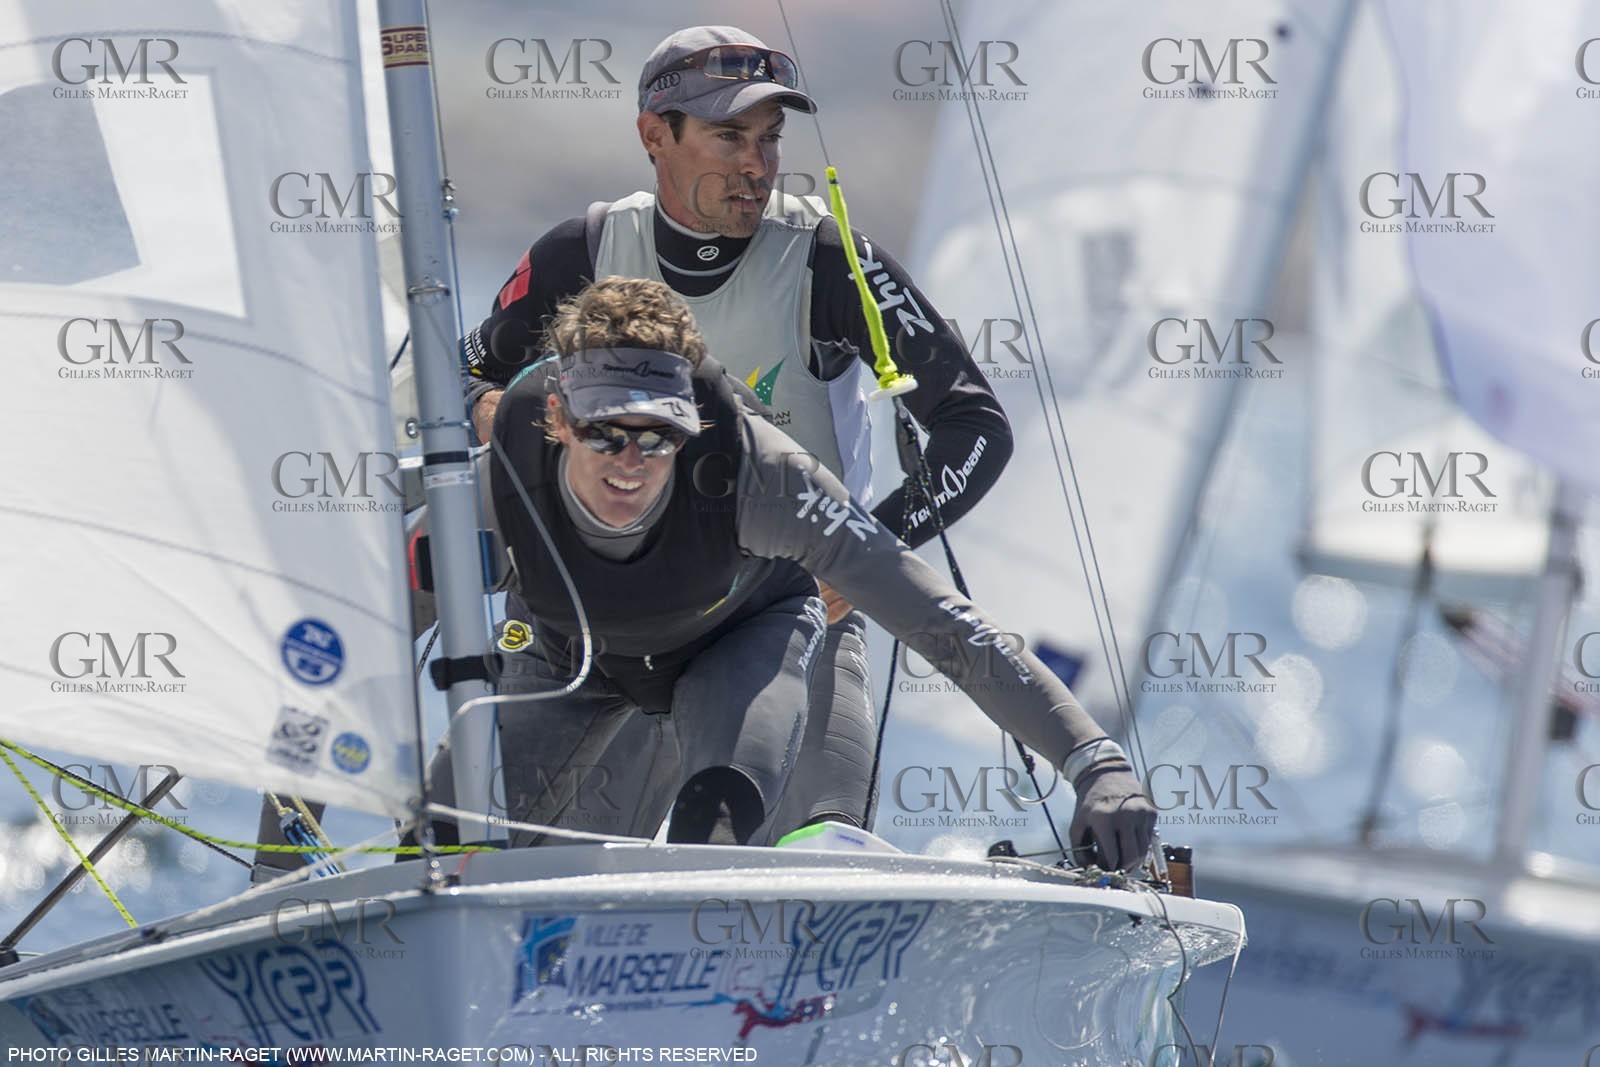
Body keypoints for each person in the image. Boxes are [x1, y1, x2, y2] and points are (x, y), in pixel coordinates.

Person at [460, 25, 1013, 834]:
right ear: (657, 136)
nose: (757, 163)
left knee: (813, 865)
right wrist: (509, 418)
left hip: (784, 619)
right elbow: (458, 373)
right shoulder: (583, 250)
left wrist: (859, 559)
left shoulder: (828, 259)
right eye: (729, 136)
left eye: (769, 138)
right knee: (528, 881)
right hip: (605, 622)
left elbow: (974, 428)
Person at [420, 276, 1153, 869]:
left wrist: (1095, 760)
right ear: (556, 416)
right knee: (440, 837)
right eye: (603, 431)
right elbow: (377, 618)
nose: (631, 461)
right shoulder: (499, 479)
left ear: (693, 426)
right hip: (568, 648)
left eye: (659, 434)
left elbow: (939, 623)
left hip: (735, 644)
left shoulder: (758, 474)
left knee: (714, 834)